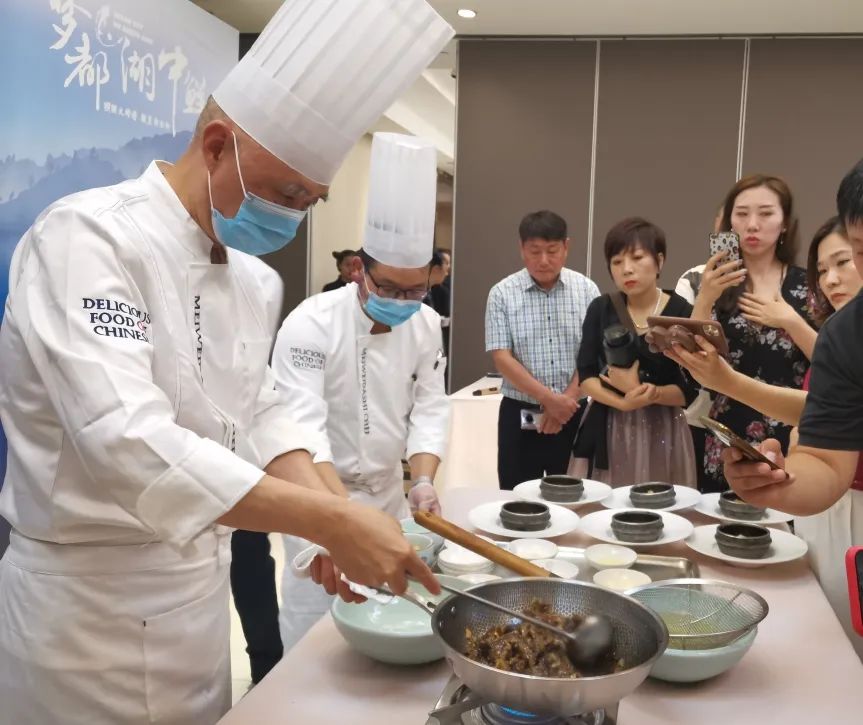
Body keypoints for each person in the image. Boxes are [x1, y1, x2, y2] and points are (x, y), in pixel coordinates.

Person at [0, 2, 454, 723]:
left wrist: (332, 518)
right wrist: (330, 520)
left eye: (311, 201)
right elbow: (127, 443)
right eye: (287, 193)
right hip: (84, 617)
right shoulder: (87, 239)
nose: (294, 217)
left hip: (195, 605)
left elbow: (265, 414)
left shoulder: (252, 281)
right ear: (216, 146)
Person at [274, 133, 449, 651]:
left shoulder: (424, 323)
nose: (403, 301)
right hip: (316, 495)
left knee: (393, 619)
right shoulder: (310, 323)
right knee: (316, 634)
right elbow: (302, 430)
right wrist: (341, 520)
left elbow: (430, 406)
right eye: (389, 288)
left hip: (388, 497)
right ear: (359, 272)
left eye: (415, 290)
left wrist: (423, 480)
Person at [721, 162, 863, 658]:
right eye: (862, 250)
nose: (834, 279)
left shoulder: (802, 299)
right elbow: (826, 459)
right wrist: (775, 483)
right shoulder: (847, 334)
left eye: (845, 262)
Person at [692, 175, 817, 492]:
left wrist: (791, 321)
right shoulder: (716, 284)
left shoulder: (809, 286)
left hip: (791, 434)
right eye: (742, 213)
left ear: (784, 223)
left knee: (787, 516)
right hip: (728, 437)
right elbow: (693, 363)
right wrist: (705, 297)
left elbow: (832, 364)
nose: (752, 225)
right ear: (729, 221)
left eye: (765, 213)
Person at [569, 217, 698, 486]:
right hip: (609, 424)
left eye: (637, 258)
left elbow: (690, 389)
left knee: (658, 502)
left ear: (659, 261)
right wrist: (624, 403)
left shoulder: (681, 312)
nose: (627, 269)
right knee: (606, 504)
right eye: (617, 262)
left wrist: (652, 394)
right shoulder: (600, 308)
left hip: (665, 429)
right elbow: (586, 375)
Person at [485, 210, 600, 490]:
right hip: (520, 412)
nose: (544, 260)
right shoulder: (501, 293)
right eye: (535, 251)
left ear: (566, 247)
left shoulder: (587, 290)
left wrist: (565, 402)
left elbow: (593, 353)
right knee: (518, 496)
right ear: (522, 249)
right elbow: (502, 357)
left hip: (575, 412)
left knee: (576, 496)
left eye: (552, 250)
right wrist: (549, 399)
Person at [675, 203, 725, 491]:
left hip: (767, 414)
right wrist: (706, 295)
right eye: (730, 219)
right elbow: (683, 343)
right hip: (699, 415)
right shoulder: (694, 278)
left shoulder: (781, 282)